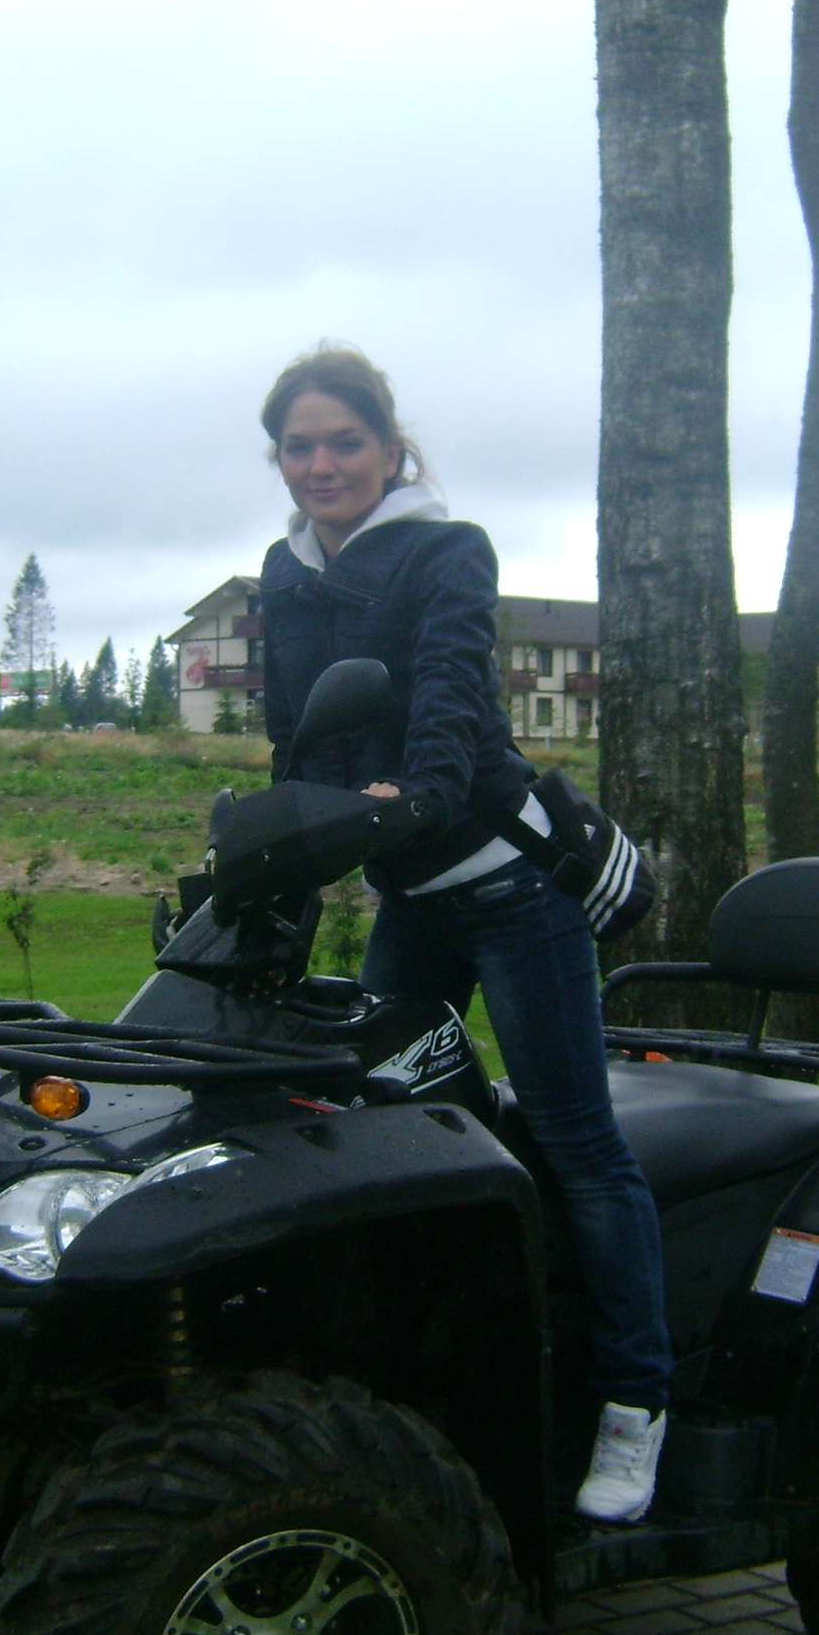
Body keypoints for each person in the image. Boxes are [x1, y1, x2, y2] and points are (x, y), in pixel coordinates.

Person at [254, 344, 673, 1525]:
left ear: (390, 450)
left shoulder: (446, 551)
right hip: (411, 895)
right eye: (299, 445)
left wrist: (424, 793)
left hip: (505, 885)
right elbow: (299, 732)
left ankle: (635, 1405)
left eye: (345, 442)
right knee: (382, 1123)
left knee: (577, 1142)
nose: (322, 464)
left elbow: (449, 693)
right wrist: (272, 838)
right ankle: (437, 1375)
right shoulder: (284, 575)